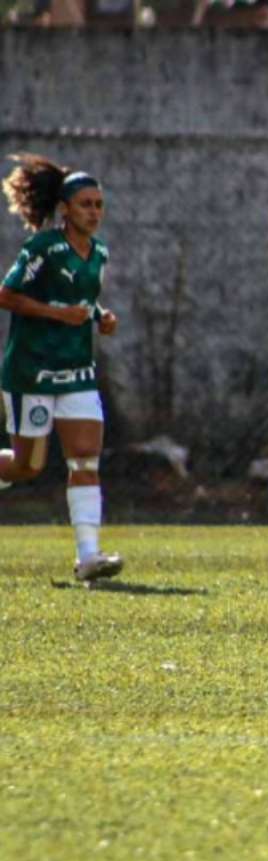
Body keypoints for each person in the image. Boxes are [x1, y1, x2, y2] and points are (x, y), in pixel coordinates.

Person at [0, 154, 123, 582]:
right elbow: (7, 295)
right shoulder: (43, 248)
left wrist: (100, 317)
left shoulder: (99, 253)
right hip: (31, 371)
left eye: (99, 204)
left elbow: (84, 302)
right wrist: (58, 315)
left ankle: (89, 557)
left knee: (85, 458)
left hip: (76, 370)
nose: (94, 212)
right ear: (66, 208)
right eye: (86, 204)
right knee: (26, 467)